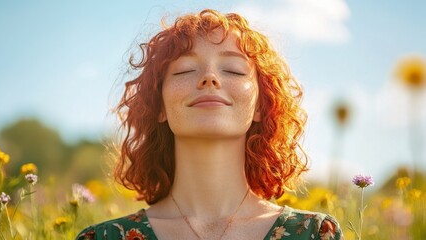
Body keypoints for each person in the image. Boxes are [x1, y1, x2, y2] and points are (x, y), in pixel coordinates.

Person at [77, 9, 344, 240]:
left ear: (261, 106)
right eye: (184, 70)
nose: (209, 78)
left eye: (233, 70)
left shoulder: (315, 234)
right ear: (159, 106)